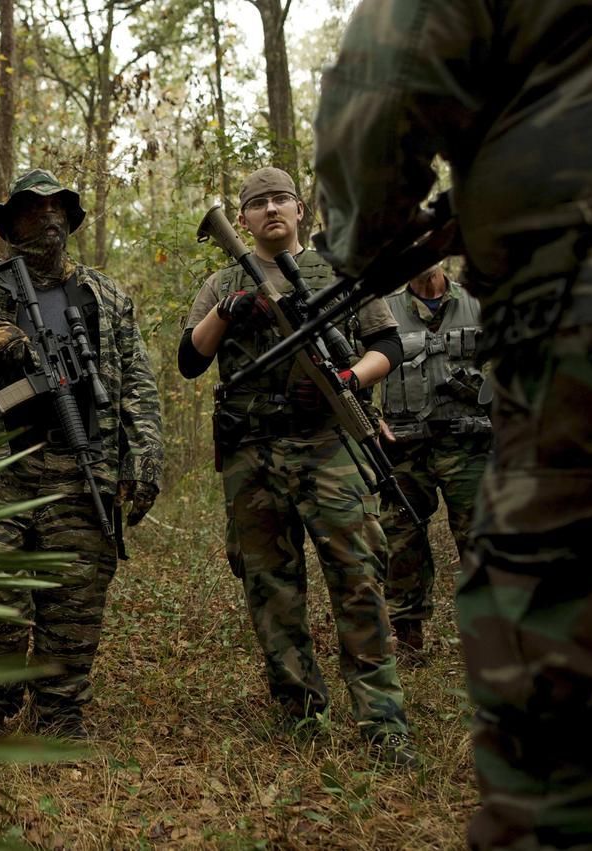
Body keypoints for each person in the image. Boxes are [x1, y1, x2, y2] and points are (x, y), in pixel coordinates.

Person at [313, 2, 592, 845]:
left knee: (563, 674)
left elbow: (378, 113)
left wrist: (368, 231)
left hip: (585, 329)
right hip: (436, 431)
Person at [178, 167, 416, 765]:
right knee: (271, 588)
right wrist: (230, 310)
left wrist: (346, 378)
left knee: (358, 578)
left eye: (280, 199)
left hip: (328, 444)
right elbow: (189, 358)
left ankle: (383, 723)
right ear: (244, 218)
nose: (270, 211)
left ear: (301, 208)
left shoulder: (342, 272)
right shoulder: (221, 281)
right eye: (256, 204)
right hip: (251, 453)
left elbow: (387, 346)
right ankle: (298, 714)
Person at [0, 169, 163, 738]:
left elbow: (137, 381)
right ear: (12, 222)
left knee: (75, 597)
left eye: (59, 208)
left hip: (81, 463)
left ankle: (60, 710)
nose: (49, 218)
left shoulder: (105, 294)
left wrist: (142, 461)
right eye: (35, 209)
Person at [377, 264, 489, 664]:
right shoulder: (381, 310)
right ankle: (408, 640)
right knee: (401, 539)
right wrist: (369, 417)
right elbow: (352, 369)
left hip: (470, 446)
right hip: (404, 450)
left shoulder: (478, 303)